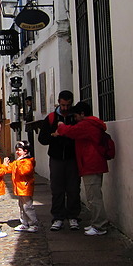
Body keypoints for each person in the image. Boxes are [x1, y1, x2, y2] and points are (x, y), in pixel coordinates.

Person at [53, 101, 109, 236]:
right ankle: (96, 223)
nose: (75, 119)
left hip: (91, 164)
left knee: (94, 198)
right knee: (94, 196)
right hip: (92, 163)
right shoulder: (92, 123)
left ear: (82, 114)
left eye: (76, 116)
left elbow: (71, 131)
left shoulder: (87, 125)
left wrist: (61, 127)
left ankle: (99, 226)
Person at [37, 90, 81, 231]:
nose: (65, 108)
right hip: (56, 158)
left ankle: (73, 216)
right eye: (63, 105)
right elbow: (42, 139)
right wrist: (53, 135)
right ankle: (58, 217)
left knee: (74, 188)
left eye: (68, 105)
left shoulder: (76, 117)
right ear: (58, 102)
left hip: (72, 157)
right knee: (57, 189)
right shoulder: (51, 118)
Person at [9, 141, 38, 233]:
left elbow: (24, 172)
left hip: (25, 187)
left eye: (19, 150)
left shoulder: (27, 161)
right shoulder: (19, 161)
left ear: (25, 151)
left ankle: (33, 223)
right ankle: (24, 223)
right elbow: (11, 168)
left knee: (28, 206)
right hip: (20, 187)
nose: (17, 152)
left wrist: (17, 163)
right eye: (16, 150)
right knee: (22, 206)